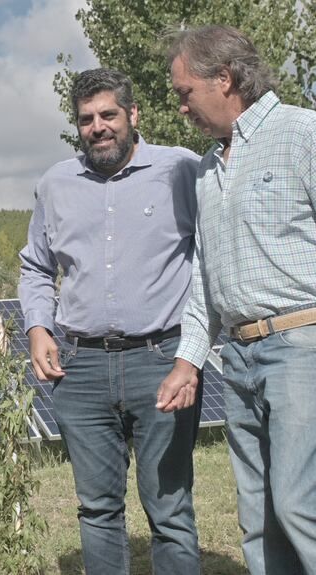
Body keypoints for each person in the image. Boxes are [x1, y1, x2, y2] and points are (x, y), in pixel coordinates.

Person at [18, 68, 202, 574]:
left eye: (108, 115)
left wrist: (193, 354)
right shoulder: (55, 184)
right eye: (86, 119)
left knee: (169, 509)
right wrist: (38, 328)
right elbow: (36, 267)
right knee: (97, 509)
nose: (98, 127)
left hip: (162, 361)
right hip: (80, 369)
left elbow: (210, 258)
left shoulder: (181, 170)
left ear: (132, 114)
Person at [162, 25, 316, 574]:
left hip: (301, 347)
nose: (182, 107)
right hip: (238, 359)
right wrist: (188, 361)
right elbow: (205, 277)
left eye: (185, 92)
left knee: (300, 506)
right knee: (259, 517)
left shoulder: (303, 134)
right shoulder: (208, 168)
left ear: (224, 78)